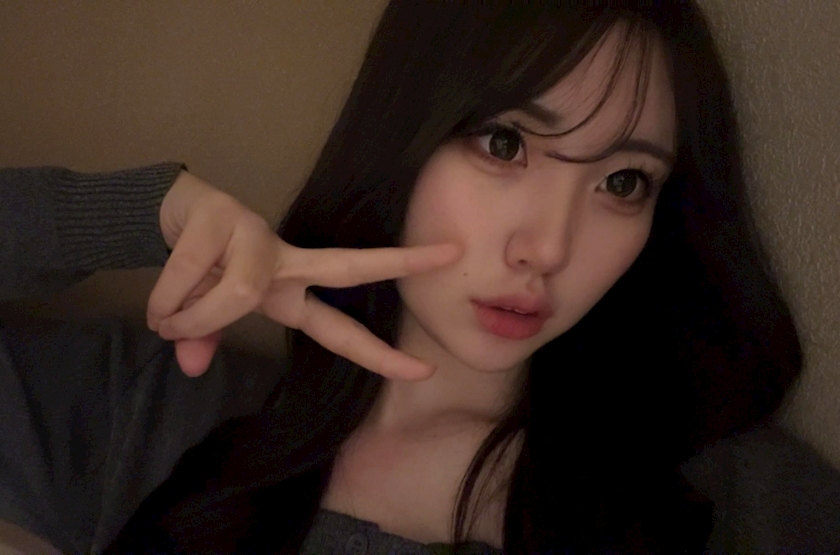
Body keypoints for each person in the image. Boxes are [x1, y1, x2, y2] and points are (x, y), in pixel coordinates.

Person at [0, 2, 805, 554]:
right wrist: (141, 213)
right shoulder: (159, 415)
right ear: (401, 137)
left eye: (623, 182)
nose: (548, 248)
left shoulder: (724, 494)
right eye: (504, 144)